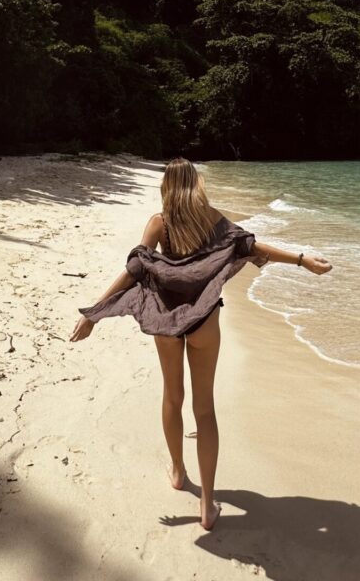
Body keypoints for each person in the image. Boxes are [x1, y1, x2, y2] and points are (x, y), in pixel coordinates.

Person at [69, 157, 332, 530]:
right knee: (204, 410)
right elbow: (251, 247)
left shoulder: (159, 222)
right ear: (196, 184)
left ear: (166, 186)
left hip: (165, 322)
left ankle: (178, 472)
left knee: (172, 397)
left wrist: (94, 312)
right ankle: (208, 507)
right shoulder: (212, 219)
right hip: (205, 322)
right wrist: (302, 260)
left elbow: (136, 269)